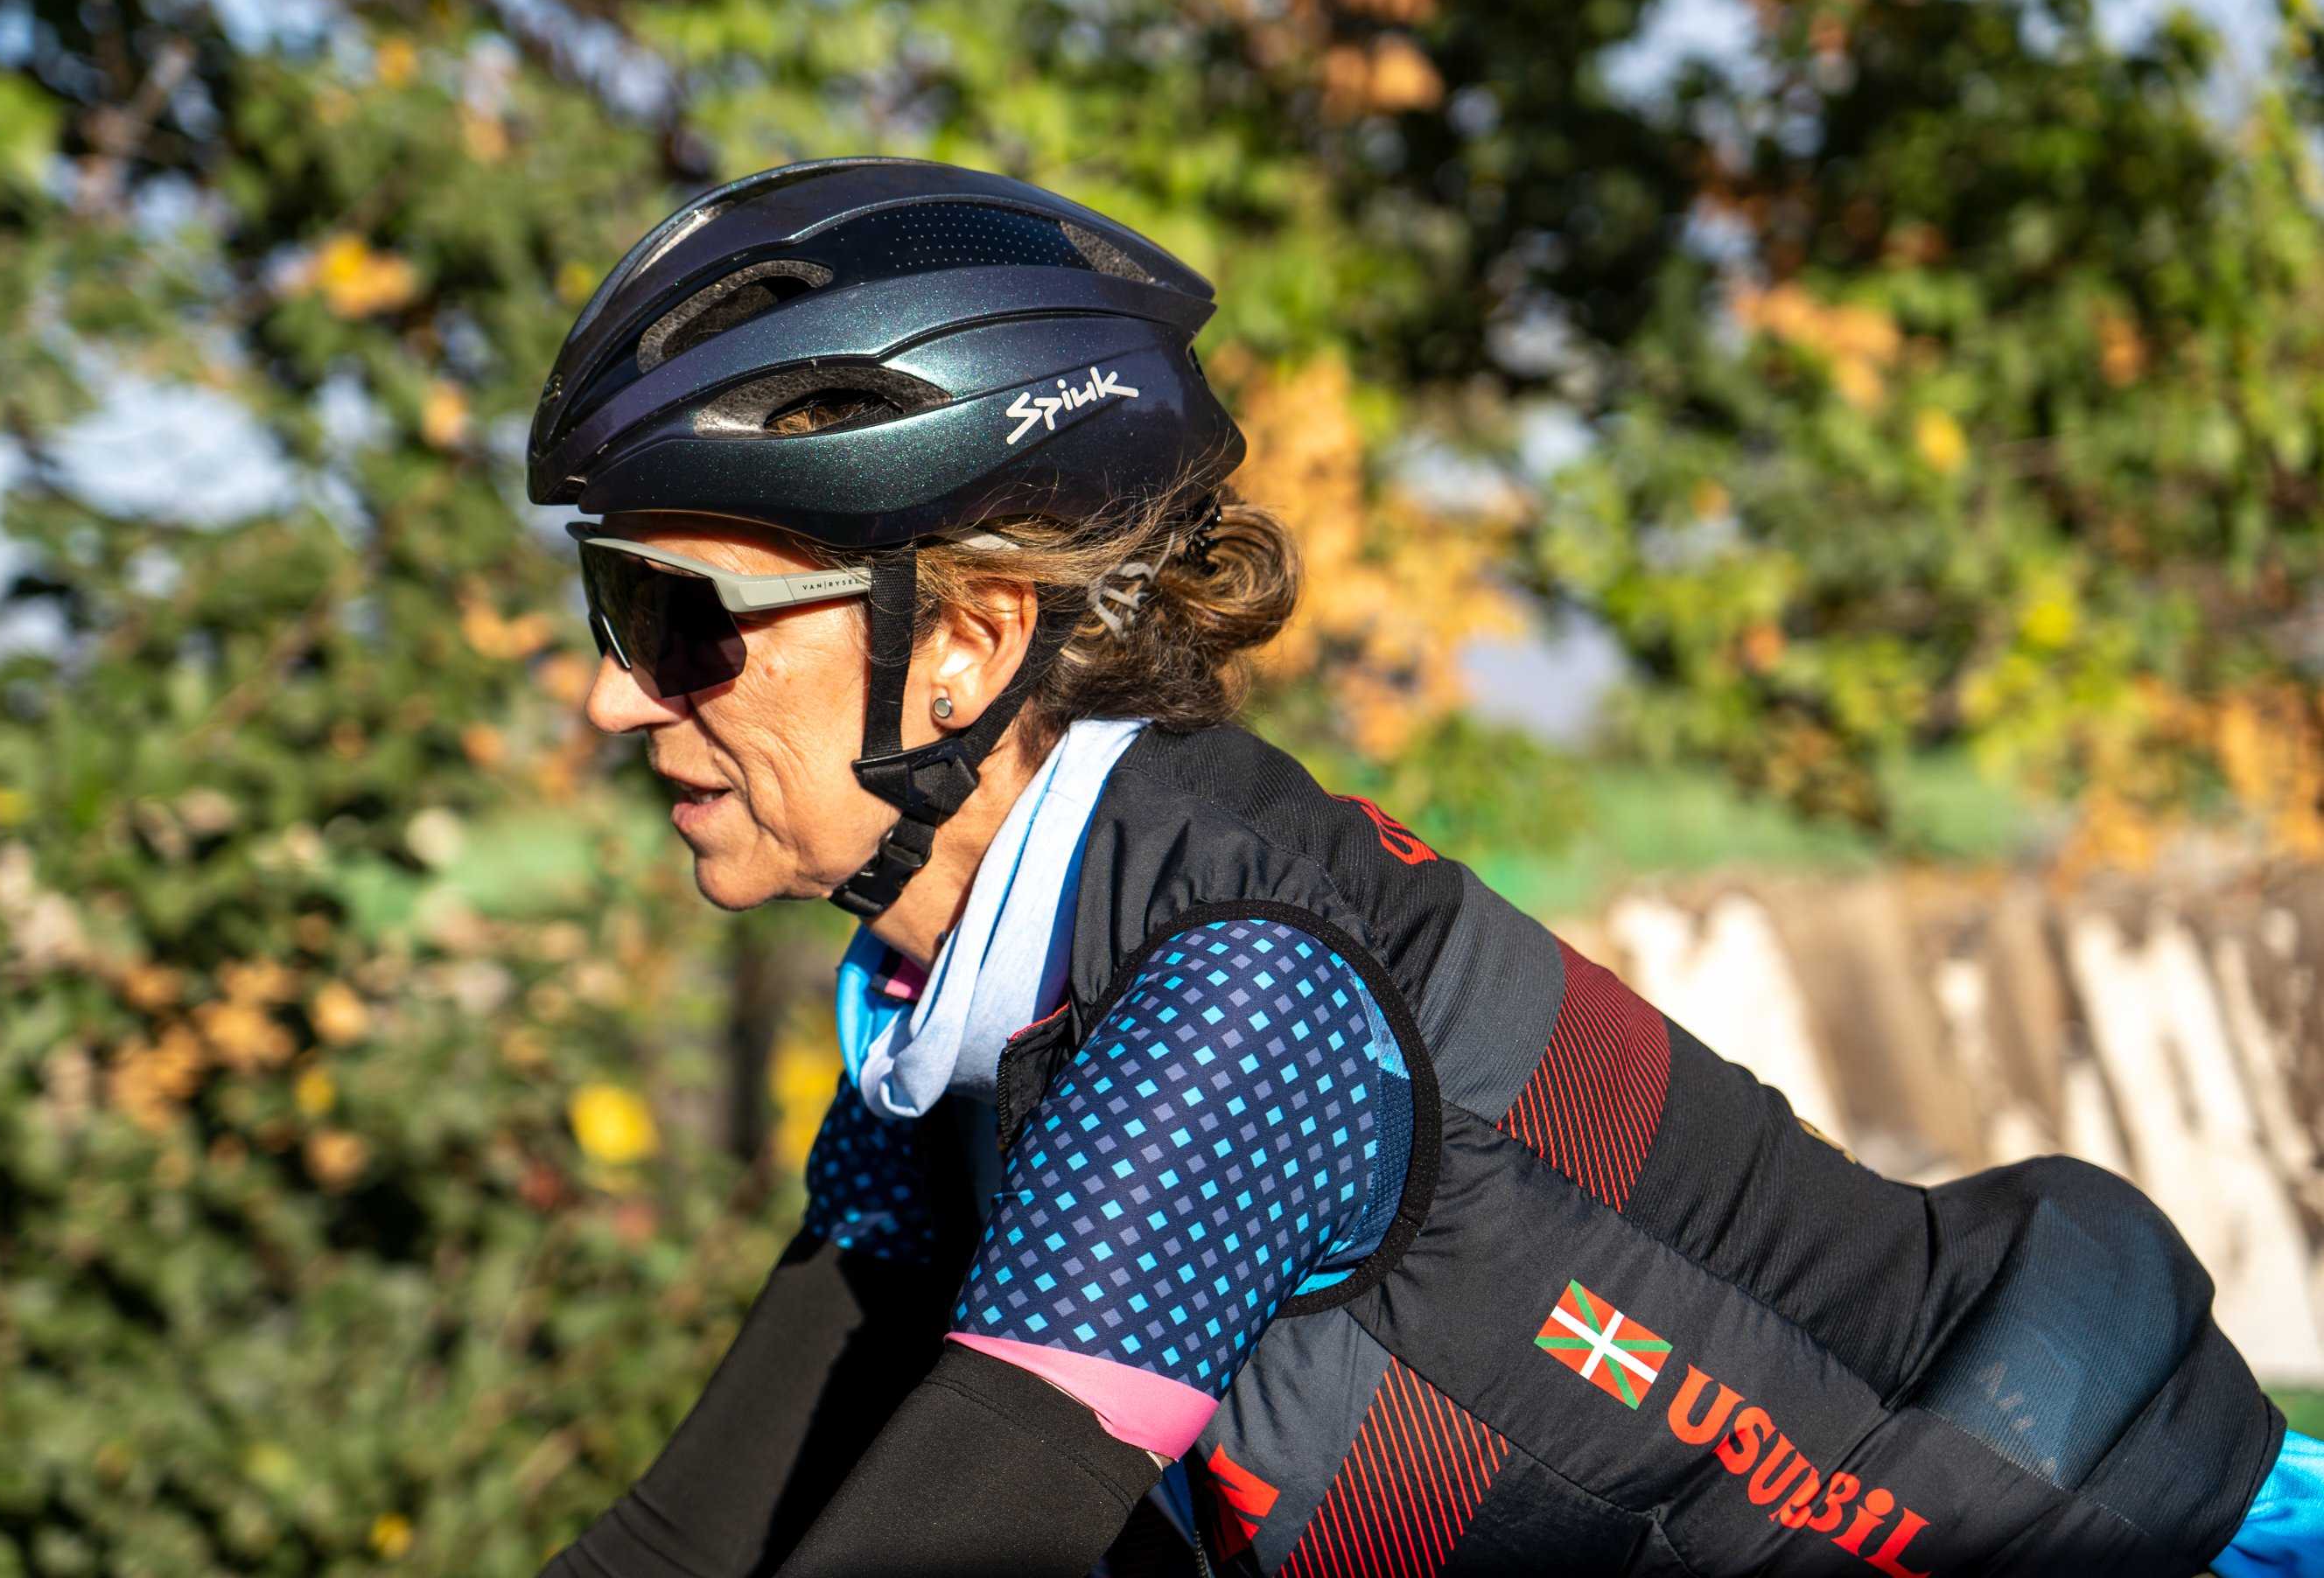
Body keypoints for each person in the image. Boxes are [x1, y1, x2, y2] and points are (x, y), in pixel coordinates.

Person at [524, 158, 2321, 1577]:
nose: (614, 693)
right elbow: (688, 1542)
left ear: (970, 642)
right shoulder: (963, 1013)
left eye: (682, 618)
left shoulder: (1229, 1000)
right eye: (615, 605)